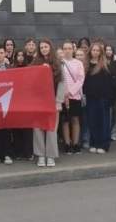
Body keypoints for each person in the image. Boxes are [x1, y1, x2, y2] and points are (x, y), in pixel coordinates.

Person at [33, 39, 63, 167]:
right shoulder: (35, 63)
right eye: (41, 47)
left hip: (52, 101)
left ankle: (51, 155)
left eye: (46, 46)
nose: (44, 49)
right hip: (38, 101)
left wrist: (58, 101)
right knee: (37, 128)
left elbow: (62, 83)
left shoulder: (58, 63)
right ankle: (40, 155)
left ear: (50, 47)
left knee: (51, 128)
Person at [83, 42, 114, 154]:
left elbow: (110, 83)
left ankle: (104, 144)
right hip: (90, 98)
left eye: (97, 50)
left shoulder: (105, 65)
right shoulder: (86, 65)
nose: (95, 52)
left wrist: (110, 98)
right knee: (92, 121)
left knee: (103, 122)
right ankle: (94, 143)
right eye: (93, 50)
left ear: (101, 52)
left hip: (103, 98)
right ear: (90, 51)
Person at [58, 41, 85, 154]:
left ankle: (75, 143)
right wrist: (64, 93)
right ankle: (67, 144)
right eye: (65, 48)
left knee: (75, 119)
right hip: (63, 96)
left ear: (73, 50)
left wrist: (71, 92)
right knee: (65, 121)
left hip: (75, 96)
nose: (67, 50)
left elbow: (80, 79)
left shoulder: (78, 63)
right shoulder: (59, 63)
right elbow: (59, 80)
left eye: (69, 48)